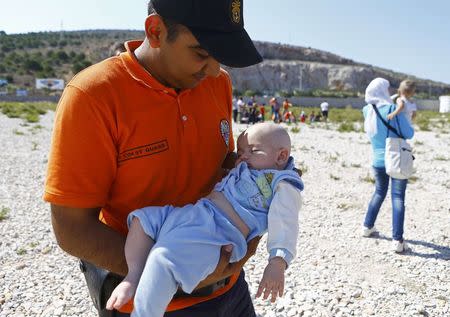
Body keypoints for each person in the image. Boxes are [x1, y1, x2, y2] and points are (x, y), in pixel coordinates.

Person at [44, 1, 263, 316]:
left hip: (231, 291)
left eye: (221, 55)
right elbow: (72, 229)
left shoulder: (217, 83)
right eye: (201, 53)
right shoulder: (93, 96)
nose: (214, 69)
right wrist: (179, 268)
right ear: (156, 31)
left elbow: (215, 166)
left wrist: (259, 174)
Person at [106, 123, 303, 317]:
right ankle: (134, 275)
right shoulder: (246, 168)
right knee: (143, 219)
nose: (242, 157)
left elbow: (285, 222)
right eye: (241, 151)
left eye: (252, 151)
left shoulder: (282, 184)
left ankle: (144, 313)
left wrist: (277, 261)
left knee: (163, 259)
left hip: (219, 233)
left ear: (281, 156)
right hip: (194, 213)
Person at [362, 78, 414, 253]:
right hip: (395, 159)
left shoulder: (366, 110)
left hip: (377, 161)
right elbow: (409, 133)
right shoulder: (392, 109)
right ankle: (397, 240)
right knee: (398, 197)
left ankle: (367, 226)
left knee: (379, 192)